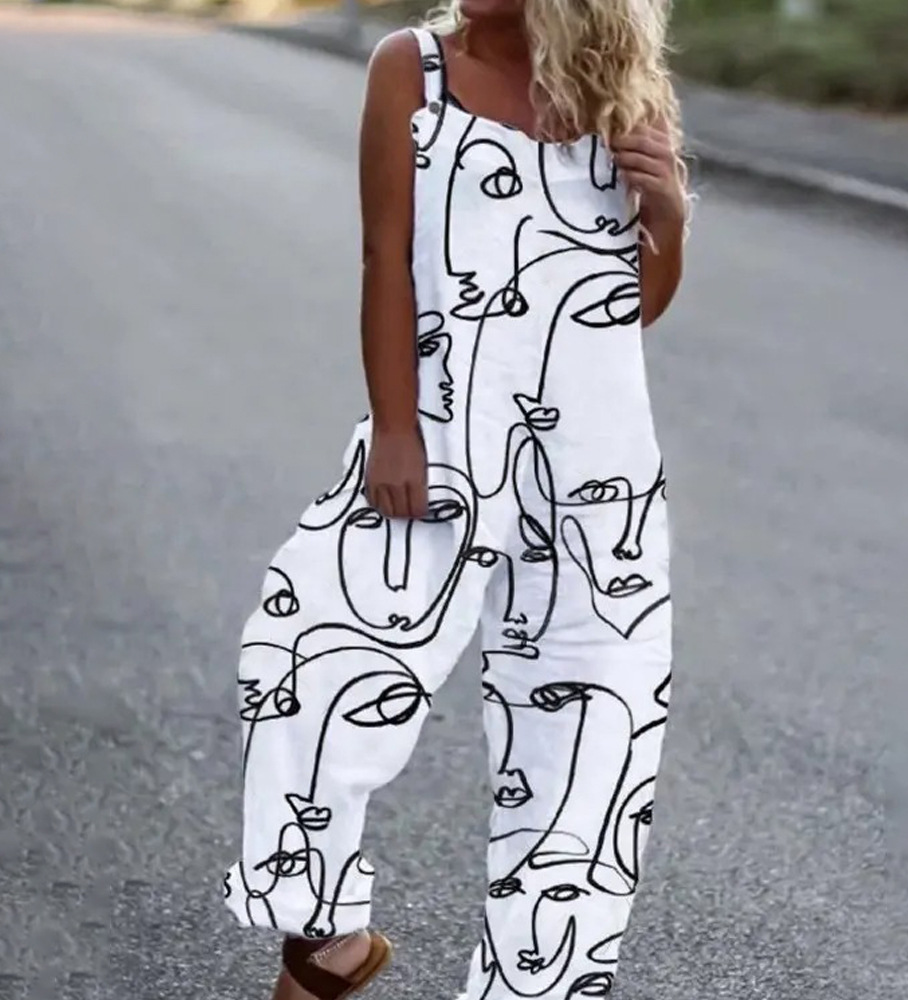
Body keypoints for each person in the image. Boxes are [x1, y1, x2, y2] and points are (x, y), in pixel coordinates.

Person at [221, 0, 688, 997]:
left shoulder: (621, 90)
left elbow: (621, 312)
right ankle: (324, 936)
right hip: (439, 445)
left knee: (586, 756)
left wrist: (668, 218)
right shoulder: (412, 68)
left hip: (596, 479)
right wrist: (396, 428)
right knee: (304, 662)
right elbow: (384, 254)